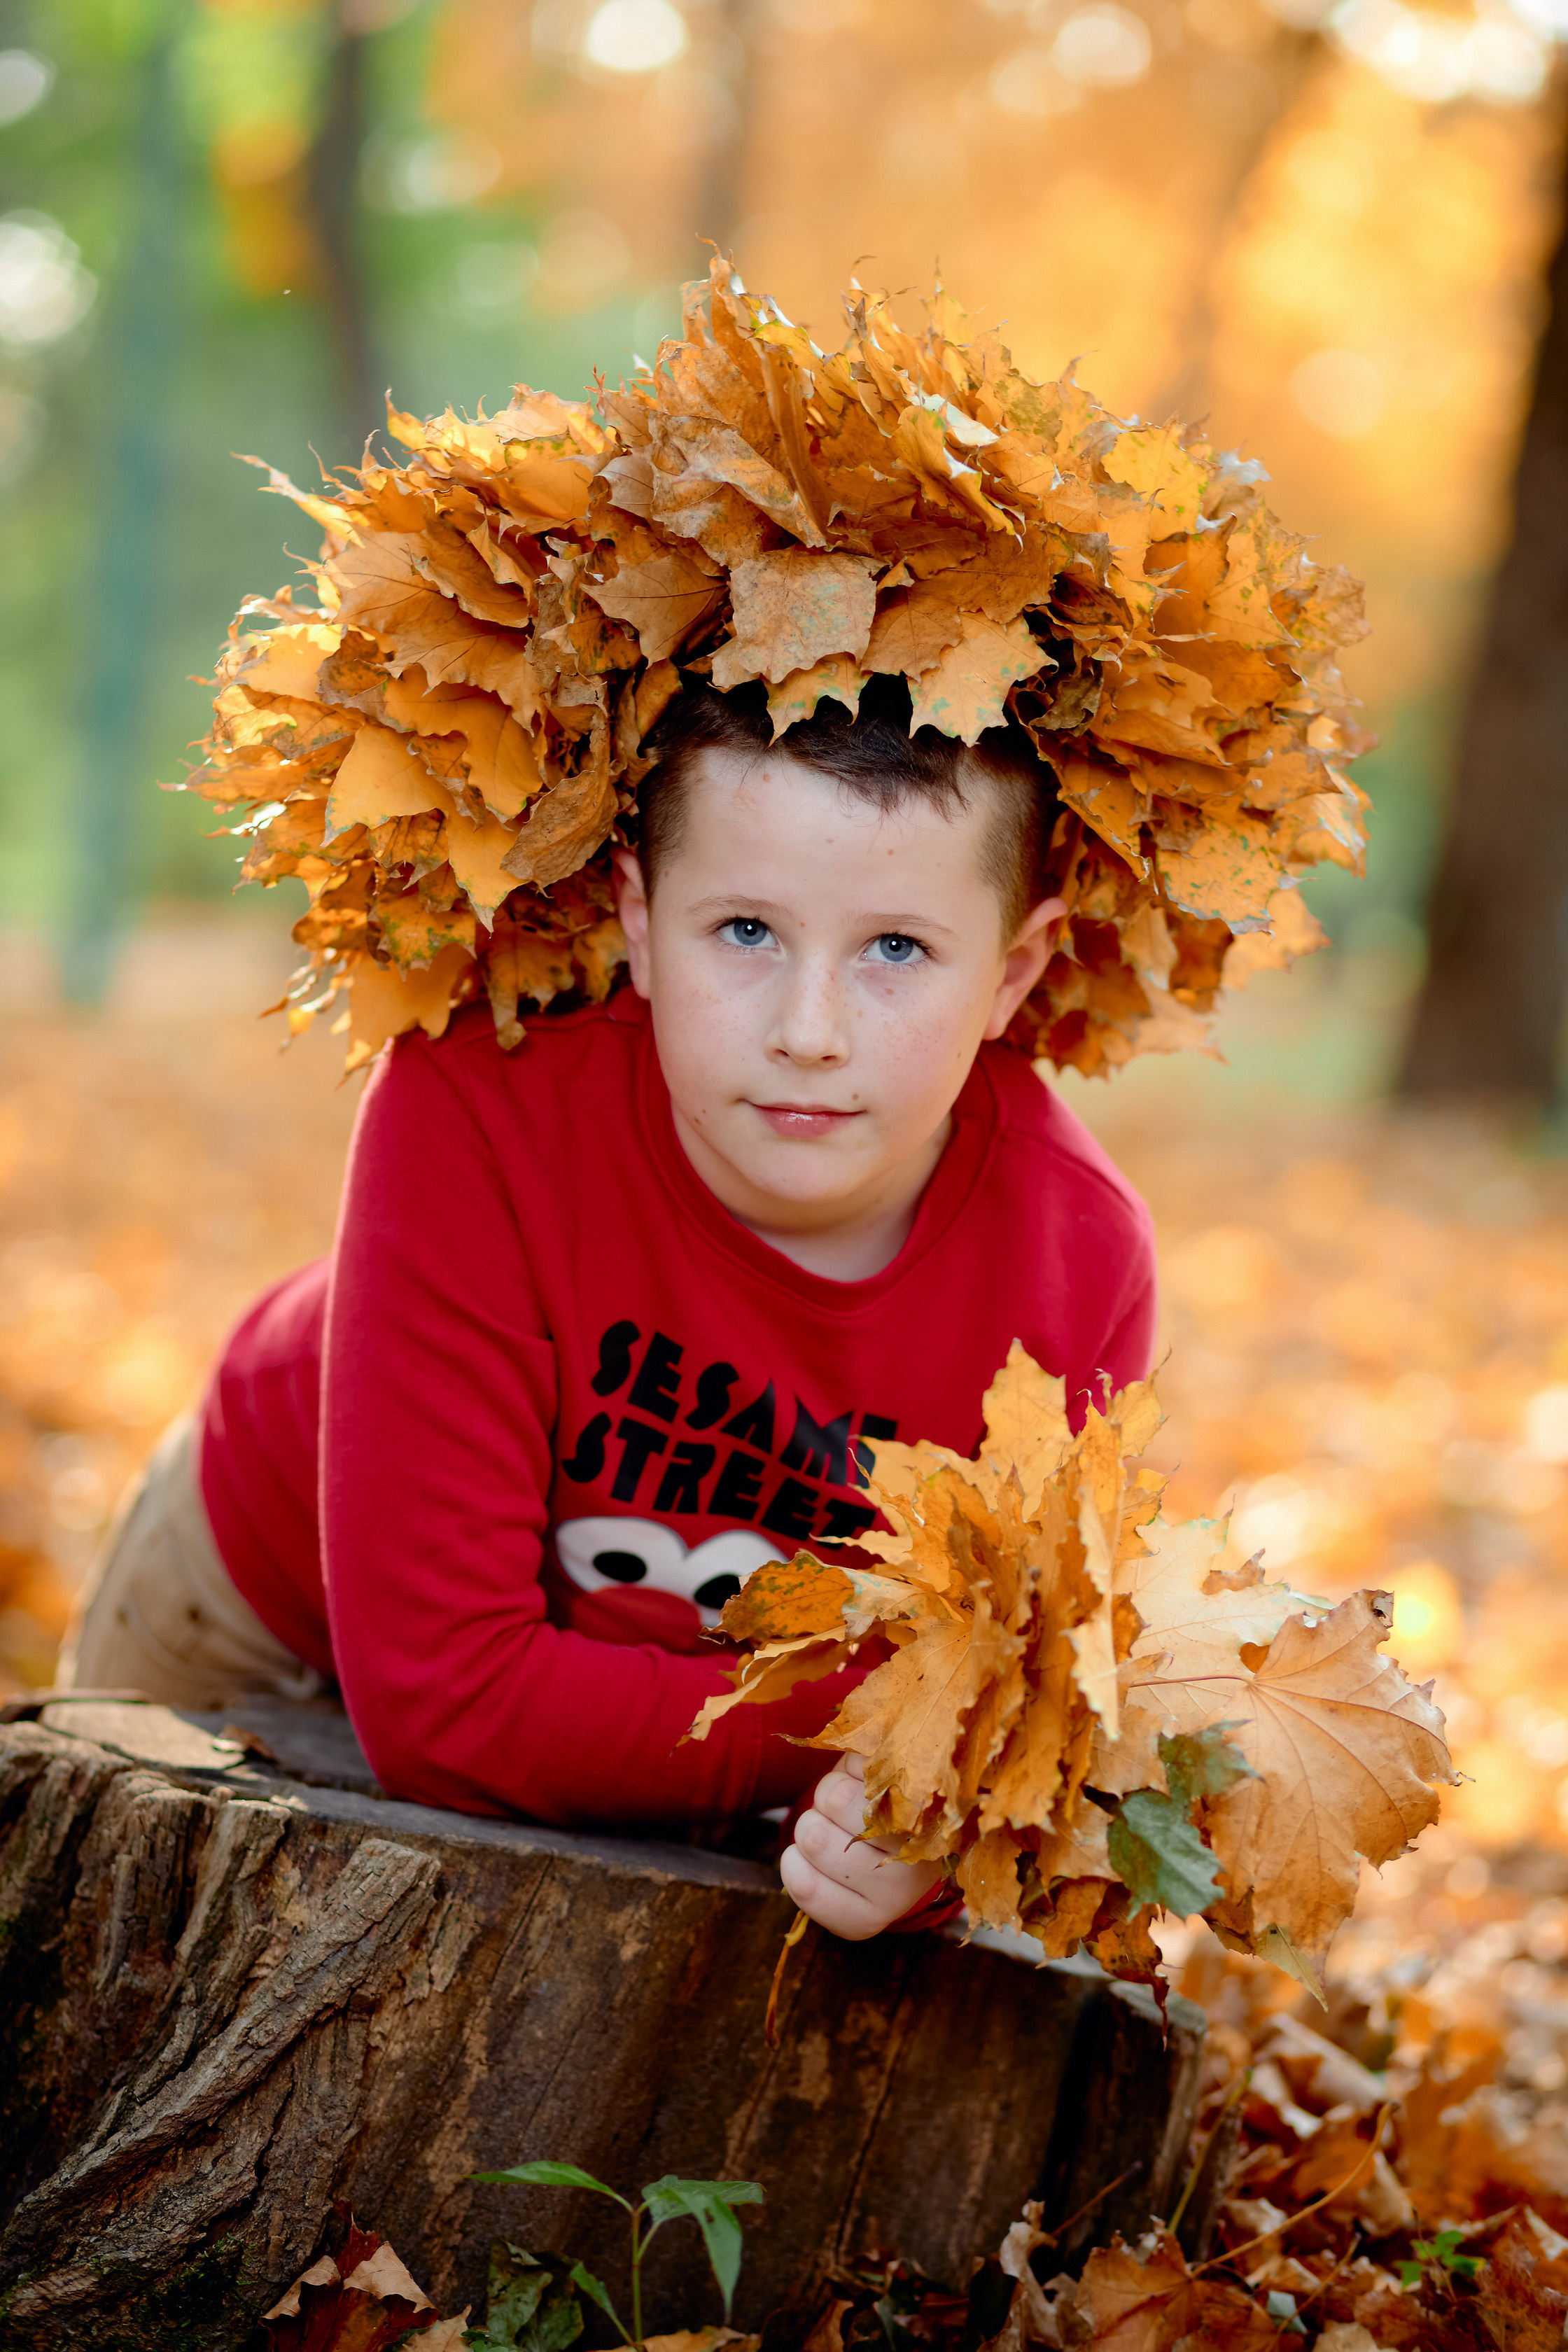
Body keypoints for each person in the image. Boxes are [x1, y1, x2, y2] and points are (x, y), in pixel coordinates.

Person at [61, 678, 1156, 1939]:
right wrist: (872, 1736)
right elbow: (448, 1707)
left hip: (657, 1720)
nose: (809, 1031)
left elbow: (1000, 1735)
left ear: (1013, 975)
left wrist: (927, 1832)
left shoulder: (1077, 1259)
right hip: (253, 1600)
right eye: (745, 931)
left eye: (896, 950)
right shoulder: (477, 1101)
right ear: (640, 920)